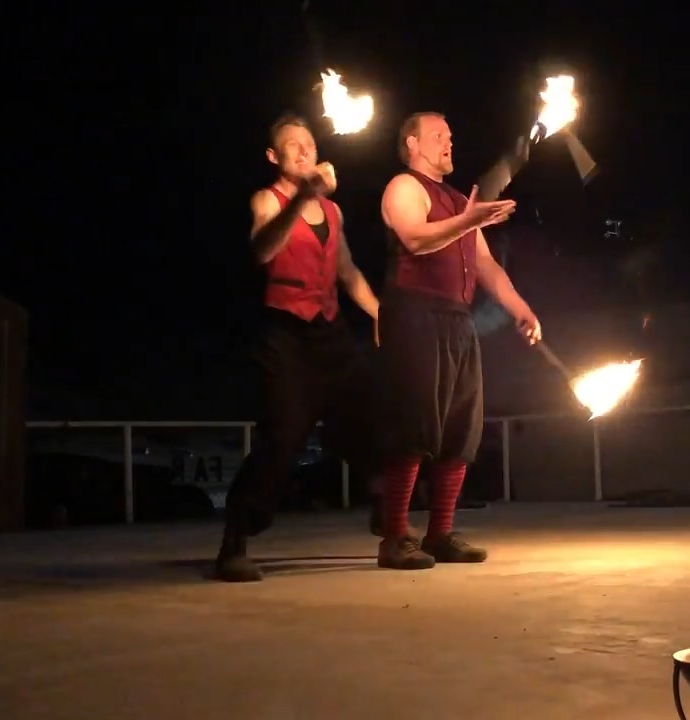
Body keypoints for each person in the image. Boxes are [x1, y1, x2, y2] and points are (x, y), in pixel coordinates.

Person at [215, 113, 381, 583]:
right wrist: (301, 199)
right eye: (293, 146)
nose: (305, 151)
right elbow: (263, 251)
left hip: (329, 330)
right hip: (283, 332)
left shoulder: (333, 211)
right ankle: (235, 540)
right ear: (274, 157)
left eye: (309, 143)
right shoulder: (268, 200)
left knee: (367, 416)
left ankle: (385, 507)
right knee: (284, 435)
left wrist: (378, 312)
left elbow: (347, 271)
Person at [374, 111, 540, 570]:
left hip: (457, 319)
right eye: (438, 135)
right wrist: (472, 220)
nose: (449, 142)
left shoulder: (457, 201)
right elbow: (414, 239)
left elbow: (485, 266)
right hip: (414, 313)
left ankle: (440, 534)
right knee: (415, 424)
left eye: (450, 134)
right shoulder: (403, 187)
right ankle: (393, 538)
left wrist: (519, 307)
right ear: (412, 143)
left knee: (460, 427)